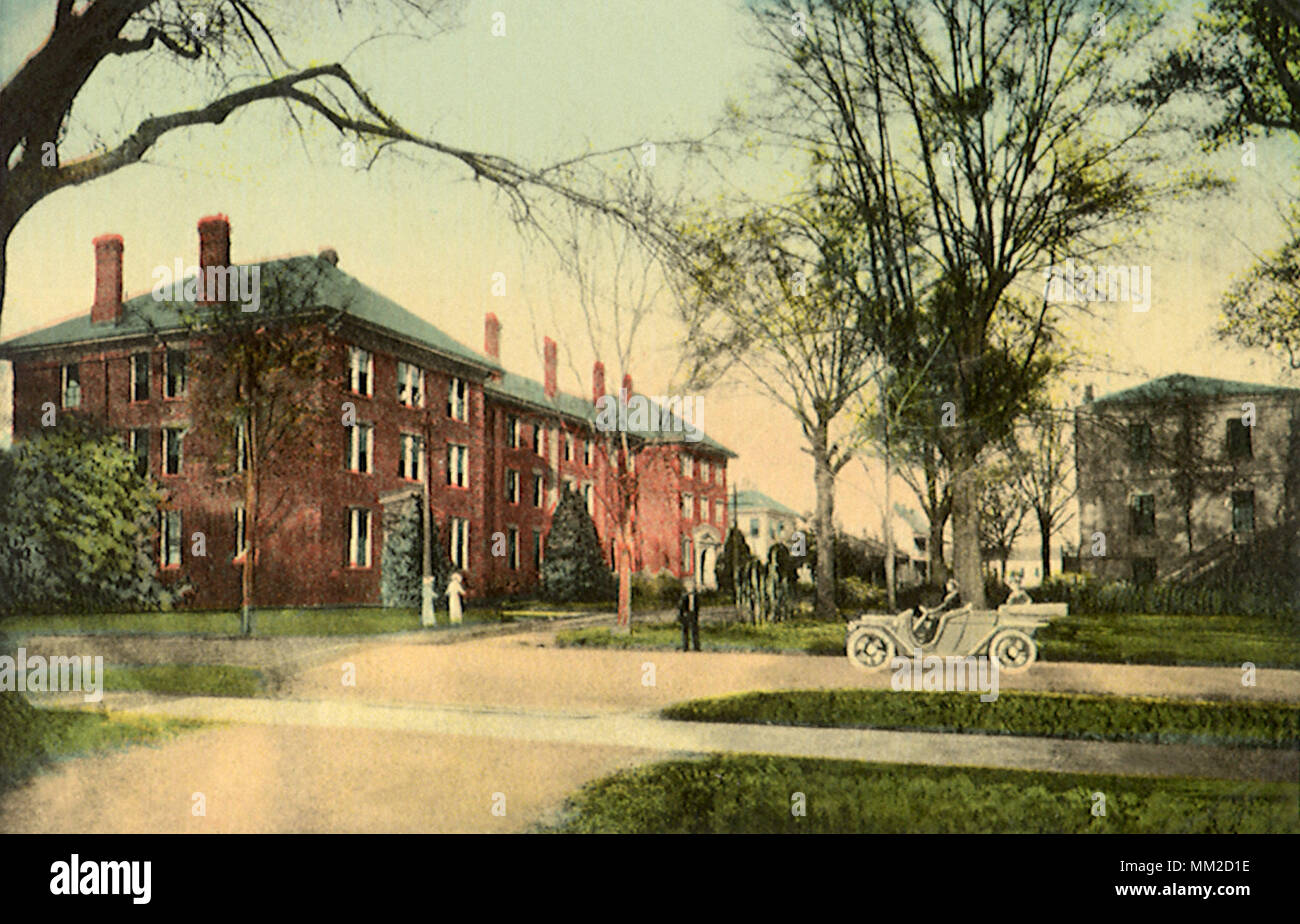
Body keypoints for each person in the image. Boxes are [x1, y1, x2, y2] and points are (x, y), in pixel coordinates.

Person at [912, 577, 961, 643]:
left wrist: (931, 611)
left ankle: (923, 641)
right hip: (940, 613)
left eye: (949, 584)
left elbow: (943, 607)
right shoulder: (947, 595)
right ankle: (920, 637)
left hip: (943, 615)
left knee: (928, 620)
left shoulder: (951, 597)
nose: (947, 585)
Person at [677, 580, 701, 652]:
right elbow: (681, 606)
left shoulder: (695, 596)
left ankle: (696, 647)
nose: (691, 589)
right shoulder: (684, 596)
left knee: (695, 630)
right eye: (689, 587)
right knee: (685, 631)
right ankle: (685, 647)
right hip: (686, 614)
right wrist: (682, 615)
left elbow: (697, 606)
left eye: (692, 587)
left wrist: (696, 614)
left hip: (693, 614)